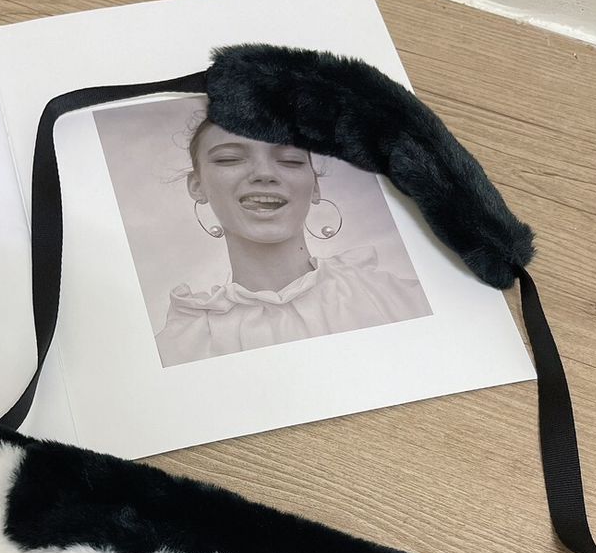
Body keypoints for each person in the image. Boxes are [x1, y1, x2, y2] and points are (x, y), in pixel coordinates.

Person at [155, 113, 428, 366]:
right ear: (197, 185)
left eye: (290, 160)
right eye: (229, 159)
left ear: (315, 187)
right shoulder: (179, 348)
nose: (264, 174)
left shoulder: (401, 299)